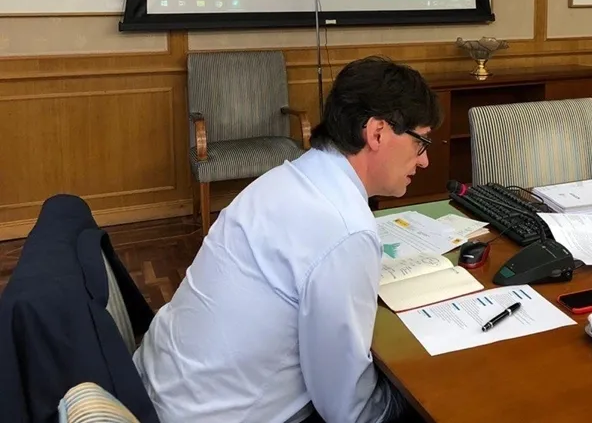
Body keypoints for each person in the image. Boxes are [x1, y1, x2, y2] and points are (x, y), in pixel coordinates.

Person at [133, 56, 441, 423]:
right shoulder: (344, 228)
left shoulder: (286, 178)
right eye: (421, 143)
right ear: (377, 133)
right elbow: (349, 410)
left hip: (154, 390)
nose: (423, 162)